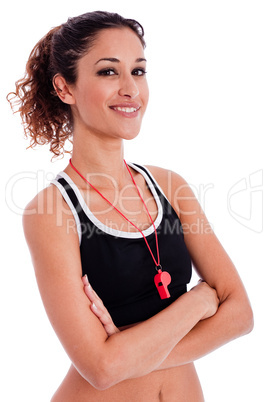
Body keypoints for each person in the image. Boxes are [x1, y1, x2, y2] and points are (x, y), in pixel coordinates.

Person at [8, 11, 253, 401]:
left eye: (138, 71)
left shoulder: (171, 187)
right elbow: (101, 369)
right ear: (64, 87)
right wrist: (199, 301)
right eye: (108, 72)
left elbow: (241, 315)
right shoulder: (51, 212)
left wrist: (128, 353)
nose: (130, 89)